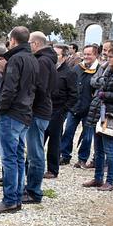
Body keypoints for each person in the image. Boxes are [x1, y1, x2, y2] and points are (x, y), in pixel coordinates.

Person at [0, 27, 37, 214]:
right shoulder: (32, 58)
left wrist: (0, 110)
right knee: (18, 158)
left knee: (9, 158)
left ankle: (9, 199)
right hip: (25, 113)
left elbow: (9, 89)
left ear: (13, 40)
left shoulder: (15, 59)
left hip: (12, 114)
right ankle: (15, 198)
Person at [84, 44, 113, 191]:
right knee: (98, 149)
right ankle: (98, 178)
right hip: (100, 112)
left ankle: (110, 181)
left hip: (111, 114)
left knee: (109, 149)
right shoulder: (110, 70)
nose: (108, 59)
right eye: (107, 56)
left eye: (111, 57)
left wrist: (104, 95)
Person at [23, 32, 55, 204]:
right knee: (34, 152)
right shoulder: (48, 60)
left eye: (29, 43)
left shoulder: (42, 61)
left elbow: (40, 87)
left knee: (35, 153)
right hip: (41, 110)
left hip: (38, 111)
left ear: (35, 44)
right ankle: (30, 187)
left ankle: (34, 191)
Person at [62, 44, 99, 167]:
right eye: (85, 54)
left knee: (87, 137)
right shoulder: (77, 68)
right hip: (74, 107)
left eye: (89, 54)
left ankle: (82, 159)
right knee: (68, 132)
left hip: (90, 109)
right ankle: (65, 155)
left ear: (95, 55)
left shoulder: (99, 70)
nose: (86, 56)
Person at [45, 42, 77, 177]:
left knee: (54, 141)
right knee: (37, 140)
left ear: (64, 57)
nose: (53, 57)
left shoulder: (69, 73)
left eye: (56, 55)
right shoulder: (47, 69)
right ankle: (31, 166)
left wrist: (64, 110)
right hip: (44, 109)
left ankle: (52, 170)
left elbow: (74, 95)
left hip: (58, 111)